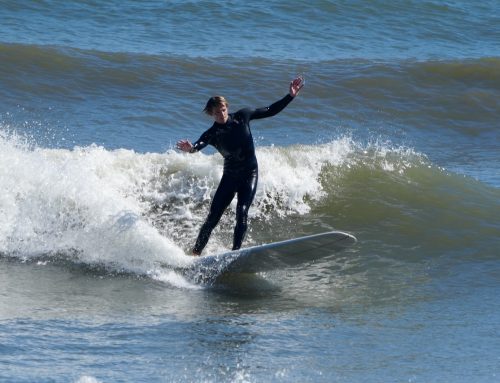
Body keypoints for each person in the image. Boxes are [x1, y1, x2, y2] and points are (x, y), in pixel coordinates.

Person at [176, 76, 304, 255]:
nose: (221, 114)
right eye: (216, 113)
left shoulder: (243, 116)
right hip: (230, 176)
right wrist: (190, 149)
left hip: (249, 174)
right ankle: (195, 252)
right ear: (211, 114)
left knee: (242, 211)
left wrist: (290, 96)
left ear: (227, 107)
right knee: (213, 218)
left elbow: (270, 110)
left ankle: (235, 254)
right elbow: (199, 145)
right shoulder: (212, 133)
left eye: (223, 109)